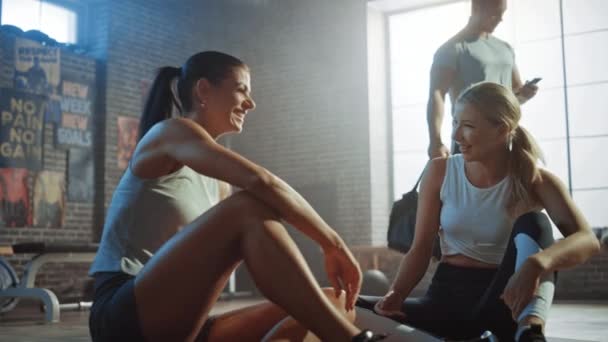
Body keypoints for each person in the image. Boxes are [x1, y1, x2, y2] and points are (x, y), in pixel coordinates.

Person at [88, 51, 386, 342]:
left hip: (186, 325)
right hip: (122, 316)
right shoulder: (168, 132)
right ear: (203, 89)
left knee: (335, 302)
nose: (251, 103)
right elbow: (261, 181)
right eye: (241, 90)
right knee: (249, 206)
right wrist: (331, 243)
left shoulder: (217, 183)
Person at [359, 82, 601, 341]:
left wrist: (536, 263)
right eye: (455, 123)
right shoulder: (439, 172)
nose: (456, 136)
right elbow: (420, 249)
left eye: (468, 126)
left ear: (502, 129)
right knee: (337, 301)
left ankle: (530, 331)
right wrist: (395, 295)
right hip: (443, 301)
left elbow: (587, 239)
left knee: (535, 223)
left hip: (502, 303)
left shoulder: (536, 181)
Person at [427, 0, 539, 159]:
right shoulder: (452, 48)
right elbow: (436, 95)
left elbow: (515, 94)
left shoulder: (505, 49)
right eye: (496, 13)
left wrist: (525, 94)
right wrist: (435, 141)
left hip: (506, 135)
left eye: (503, 13)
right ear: (477, 8)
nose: (500, 19)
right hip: (471, 139)